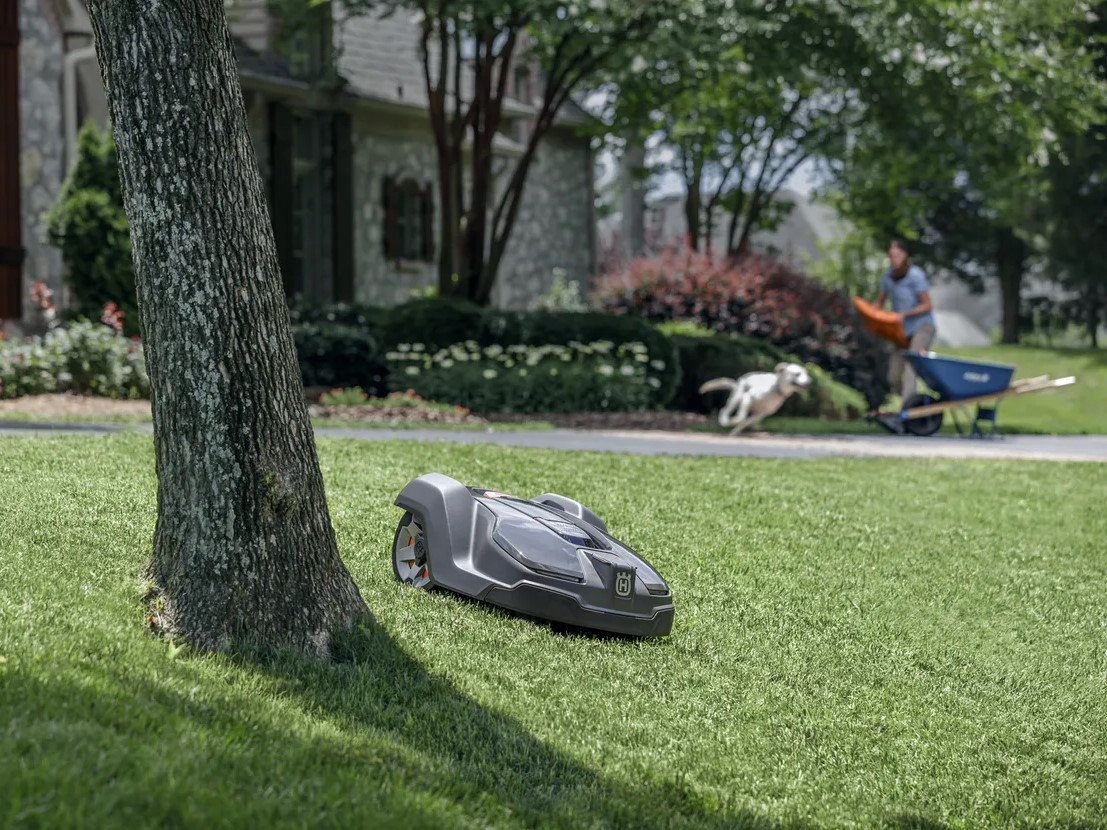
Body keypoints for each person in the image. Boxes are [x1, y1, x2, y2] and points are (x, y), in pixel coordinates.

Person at [874, 239, 936, 421]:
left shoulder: (915, 276)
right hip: (901, 330)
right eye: (891, 256)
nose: (894, 260)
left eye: (897, 256)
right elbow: (879, 303)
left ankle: (906, 414)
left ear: (904, 255)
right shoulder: (887, 277)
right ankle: (912, 403)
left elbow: (927, 305)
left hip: (922, 327)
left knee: (910, 368)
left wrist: (905, 314)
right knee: (893, 375)